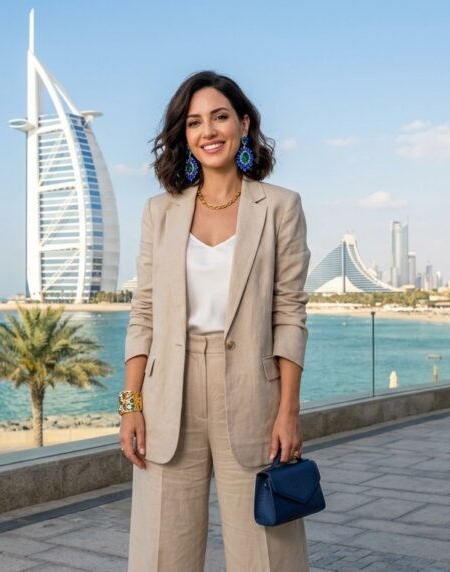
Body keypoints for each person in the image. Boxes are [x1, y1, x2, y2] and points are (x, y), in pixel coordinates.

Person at [119, 70, 311, 571]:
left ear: (243, 125)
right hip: (168, 398)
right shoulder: (160, 213)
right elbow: (143, 314)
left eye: (220, 117)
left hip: (252, 395)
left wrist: (288, 410)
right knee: (162, 554)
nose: (208, 131)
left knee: (266, 552)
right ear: (184, 135)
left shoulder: (280, 207)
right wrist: (130, 405)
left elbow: (289, 314)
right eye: (194, 122)